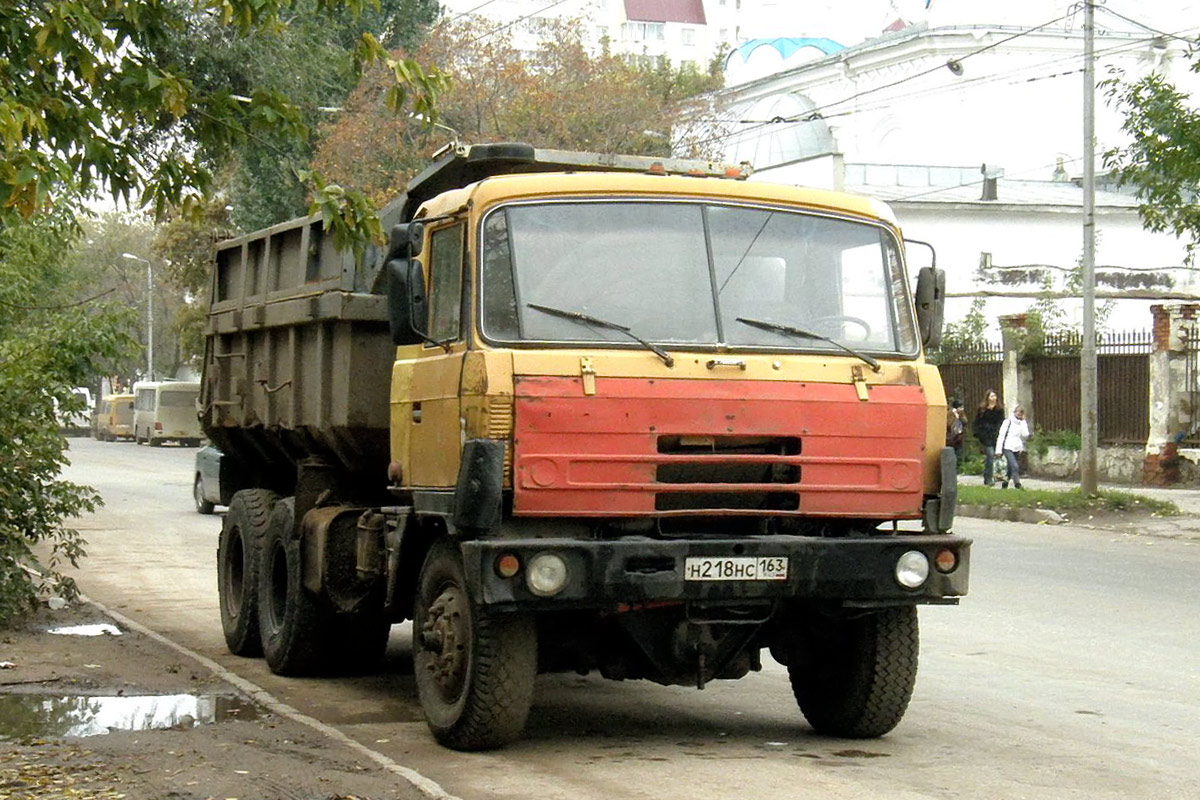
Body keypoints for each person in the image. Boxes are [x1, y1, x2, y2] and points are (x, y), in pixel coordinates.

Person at [973, 389, 1005, 487]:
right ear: (987, 398)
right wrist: (978, 433)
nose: (993, 398)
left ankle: (989, 475)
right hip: (985, 435)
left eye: (994, 396)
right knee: (990, 454)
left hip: (995, 435)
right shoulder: (982, 409)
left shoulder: (999, 410)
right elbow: (977, 422)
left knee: (992, 457)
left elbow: (1001, 422)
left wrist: (998, 431)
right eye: (991, 396)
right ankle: (988, 478)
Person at [995, 405, 1031, 489]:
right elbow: (1001, 435)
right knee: (1015, 465)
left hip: (1016, 447)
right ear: (1014, 412)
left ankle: (1005, 483)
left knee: (1010, 468)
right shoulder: (1008, 421)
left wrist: (1023, 422)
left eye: (1021, 413)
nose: (1019, 414)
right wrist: (998, 450)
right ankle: (1017, 483)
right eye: (1017, 412)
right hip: (1007, 446)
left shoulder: (1021, 423)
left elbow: (1025, 434)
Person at [946, 399, 965, 469]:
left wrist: (960, 416)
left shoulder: (961, 414)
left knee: (958, 456)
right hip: (951, 438)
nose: (961, 409)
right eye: (960, 407)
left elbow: (965, 422)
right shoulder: (950, 414)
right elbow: (948, 424)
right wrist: (954, 416)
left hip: (959, 438)